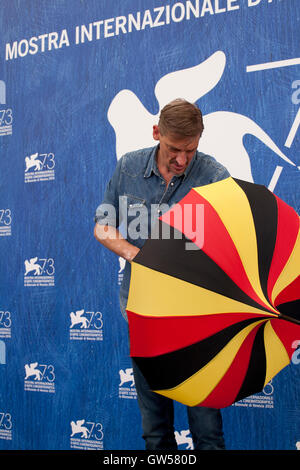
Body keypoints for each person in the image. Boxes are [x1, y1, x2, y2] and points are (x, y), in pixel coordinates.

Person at [94, 98, 230, 450]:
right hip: (144, 315)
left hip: (198, 319)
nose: (182, 160)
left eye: (190, 150)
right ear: (157, 133)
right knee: (155, 428)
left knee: (206, 428)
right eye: (173, 149)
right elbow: (103, 227)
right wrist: (137, 254)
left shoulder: (215, 176)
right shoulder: (127, 168)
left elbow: (231, 240)